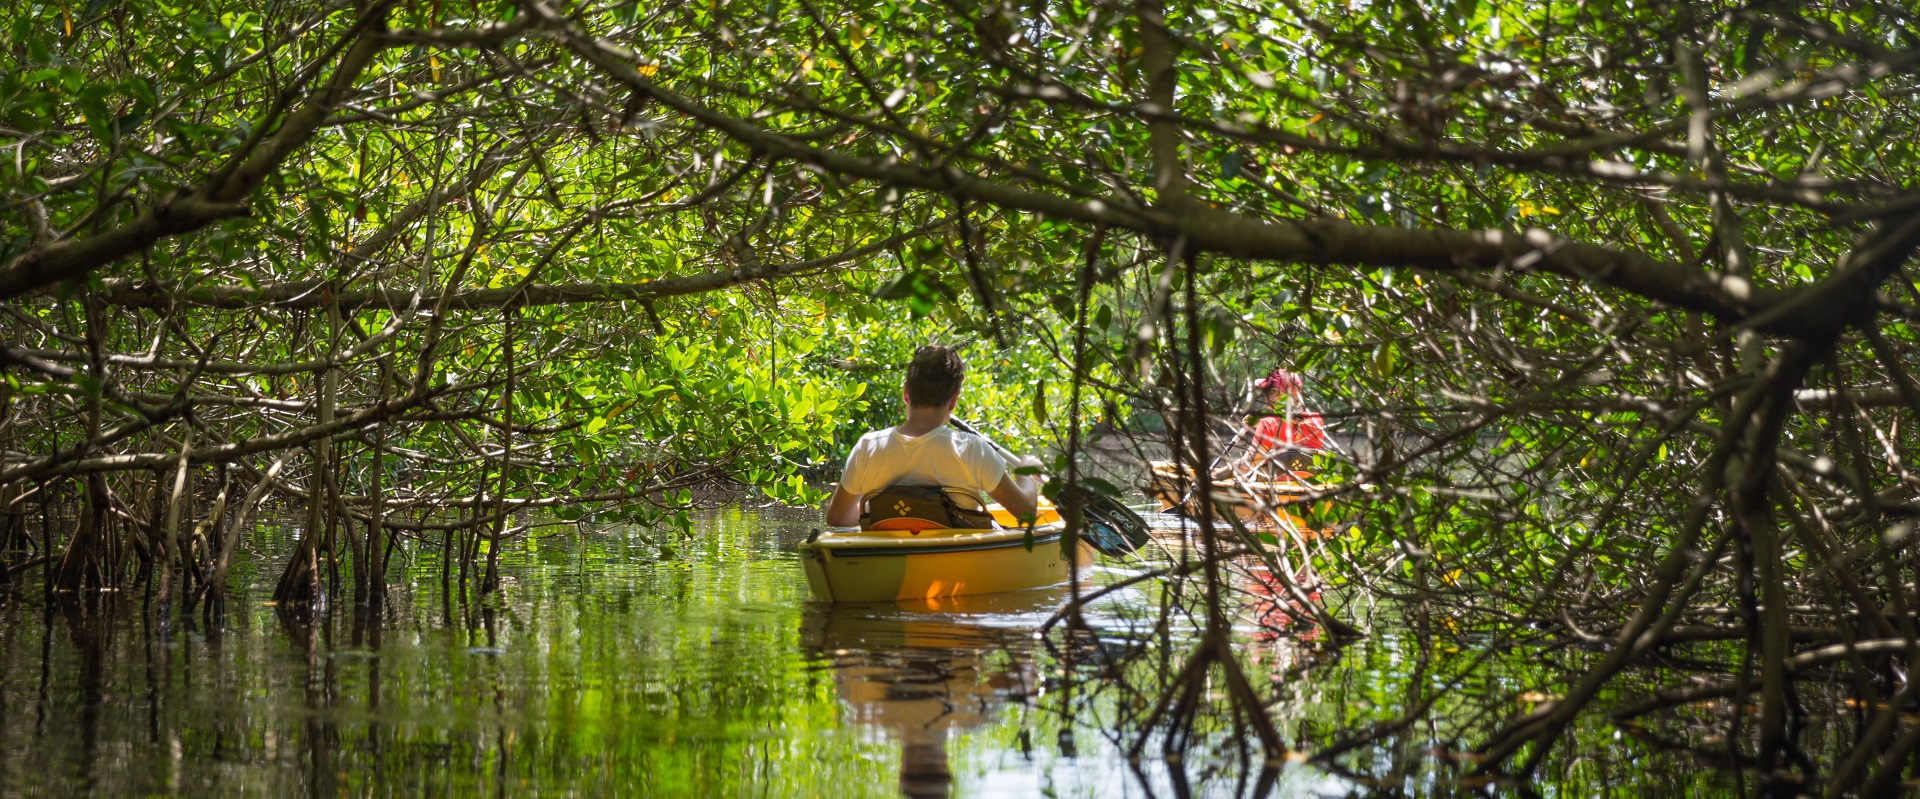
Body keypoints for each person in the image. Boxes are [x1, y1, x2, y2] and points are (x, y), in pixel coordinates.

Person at [824, 346, 1042, 528]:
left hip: (889, 560)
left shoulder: (868, 446)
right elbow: (1026, 513)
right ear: (953, 400)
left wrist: (885, 506)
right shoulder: (971, 449)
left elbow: (837, 518)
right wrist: (1026, 471)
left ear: (906, 393)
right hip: (956, 562)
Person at [1245, 367, 1325, 472]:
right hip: (1308, 483)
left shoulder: (1267, 425)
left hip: (1274, 484)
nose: (1265, 396)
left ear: (1277, 394)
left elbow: (1246, 465)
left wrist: (1217, 473)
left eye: (1267, 391)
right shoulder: (1316, 420)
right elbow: (1289, 427)